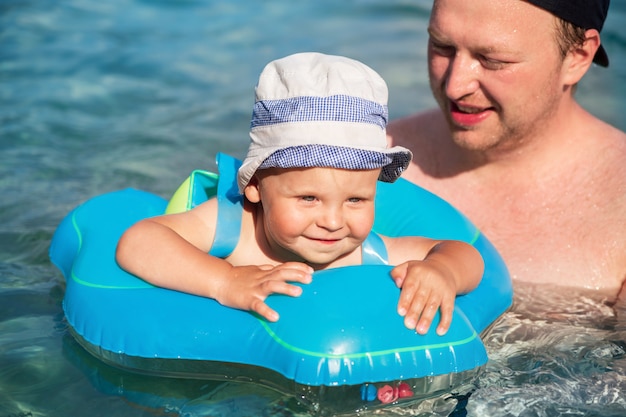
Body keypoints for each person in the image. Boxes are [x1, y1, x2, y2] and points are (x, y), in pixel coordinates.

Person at [116, 52, 484, 336]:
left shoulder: (365, 252)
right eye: (309, 198)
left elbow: (464, 254)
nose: (333, 221)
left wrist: (441, 271)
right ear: (257, 186)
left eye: (355, 199)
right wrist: (224, 280)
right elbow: (139, 241)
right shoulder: (233, 226)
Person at [387, 0, 626, 298]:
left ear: (577, 58)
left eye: (493, 60)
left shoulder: (620, 218)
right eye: (442, 46)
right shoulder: (371, 161)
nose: (455, 86)